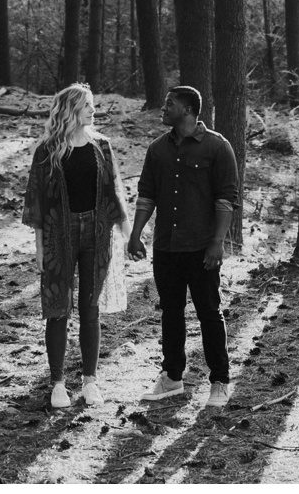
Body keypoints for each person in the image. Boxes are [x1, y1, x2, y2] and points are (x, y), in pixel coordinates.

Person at [126, 84, 239, 408]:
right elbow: (147, 195)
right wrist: (136, 234)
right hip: (166, 247)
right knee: (171, 312)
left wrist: (217, 243)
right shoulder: (157, 149)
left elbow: (225, 200)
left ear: (188, 110)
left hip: (202, 248)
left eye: (169, 104)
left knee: (209, 313)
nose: (163, 108)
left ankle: (219, 381)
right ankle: (172, 378)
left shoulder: (217, 147)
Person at [22, 83, 130, 409]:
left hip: (96, 233)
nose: (93, 111)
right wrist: (40, 247)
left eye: (93, 105)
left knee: (90, 308)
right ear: (70, 110)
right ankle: (57, 385)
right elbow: (37, 201)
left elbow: (113, 192)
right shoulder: (47, 149)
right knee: (57, 309)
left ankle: (90, 382)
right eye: (87, 105)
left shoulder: (102, 146)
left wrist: (130, 234)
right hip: (58, 234)